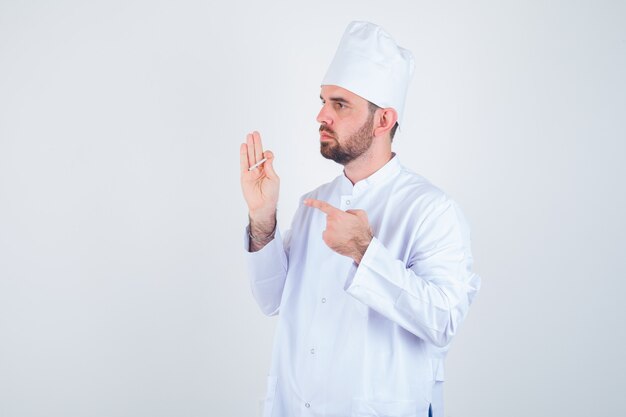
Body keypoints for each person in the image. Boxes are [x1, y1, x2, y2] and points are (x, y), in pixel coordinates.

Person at [239, 21, 481, 417]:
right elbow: (270, 300)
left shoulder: (432, 210)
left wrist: (365, 252)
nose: (321, 114)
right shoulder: (312, 204)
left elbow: (444, 320)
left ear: (383, 120)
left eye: (340, 104)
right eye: (323, 100)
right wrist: (262, 218)